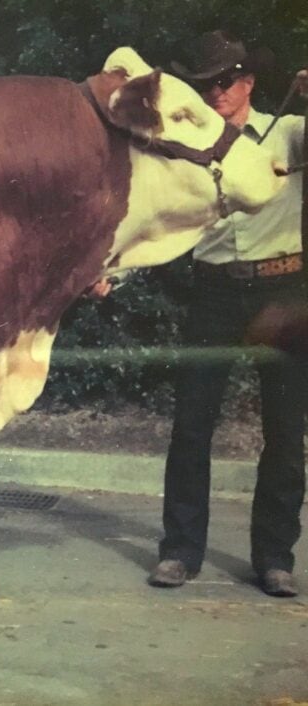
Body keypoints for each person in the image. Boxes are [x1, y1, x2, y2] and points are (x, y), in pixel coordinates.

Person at [148, 30, 308, 597]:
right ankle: (179, 552)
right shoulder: (188, 146)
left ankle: (275, 559)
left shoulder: (289, 133)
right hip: (213, 292)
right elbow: (158, 216)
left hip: (283, 291)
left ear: (249, 83)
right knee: (192, 425)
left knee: (285, 432)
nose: (216, 91)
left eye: (226, 80)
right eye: (206, 83)